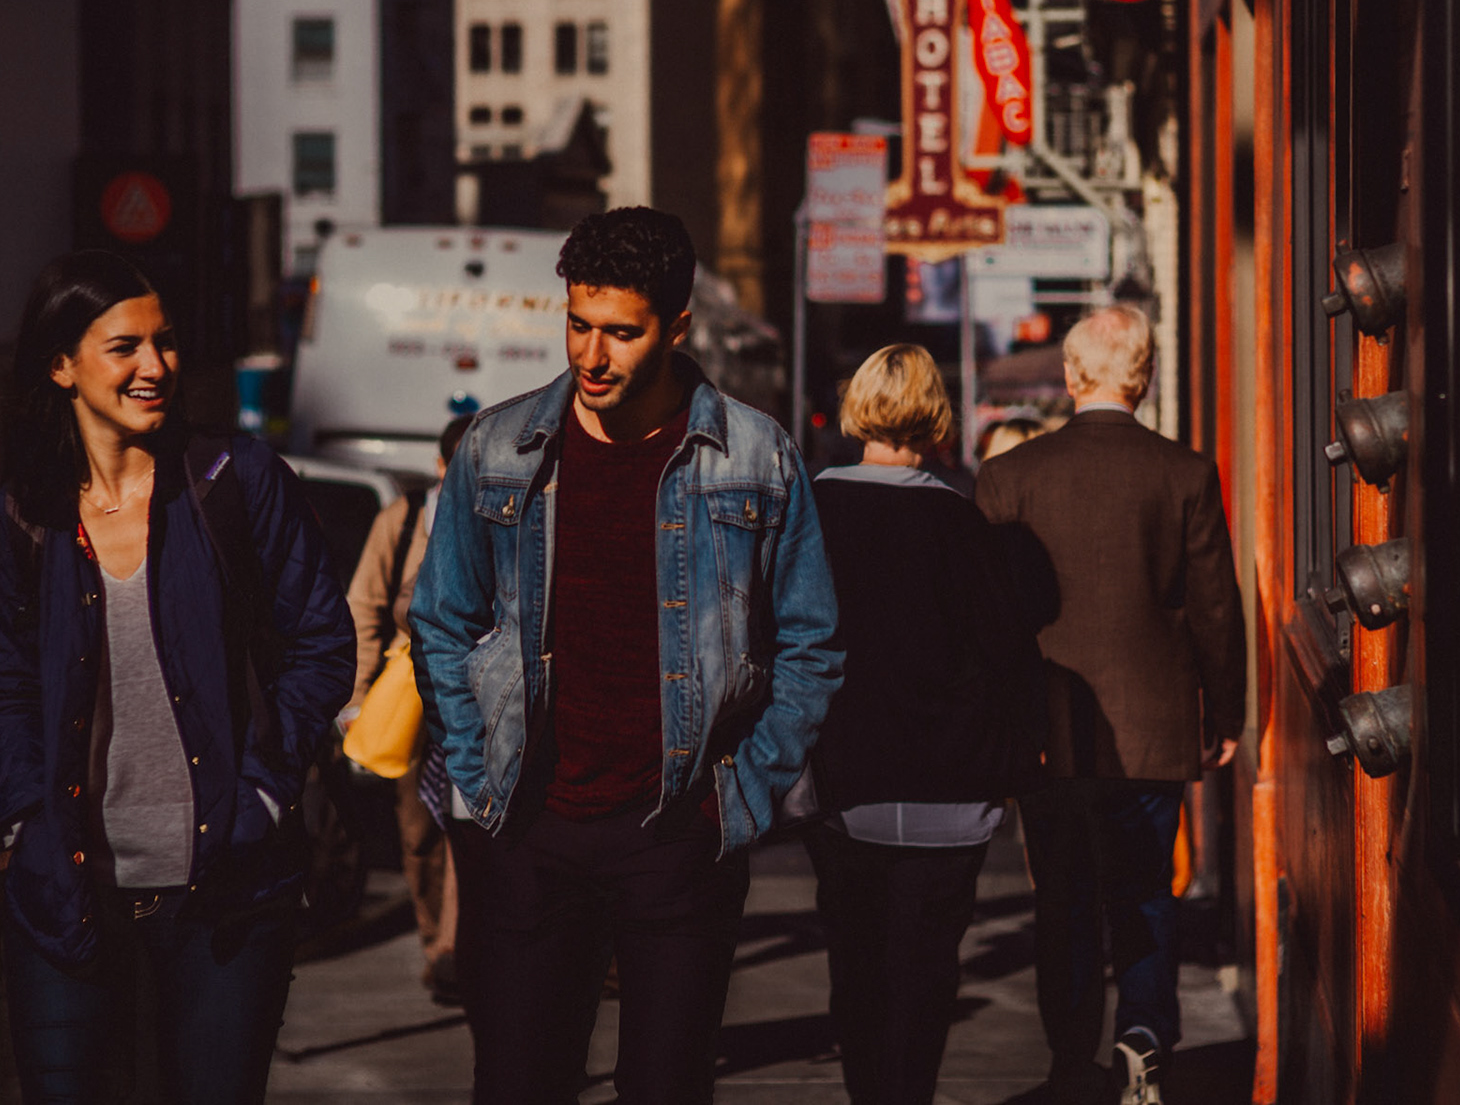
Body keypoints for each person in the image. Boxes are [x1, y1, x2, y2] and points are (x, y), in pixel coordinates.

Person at [408, 205, 843, 1105]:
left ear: (676, 325)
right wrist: (475, 779)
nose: (591, 356)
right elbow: (441, 621)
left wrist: (741, 797)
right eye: (577, 324)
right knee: (519, 1084)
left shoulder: (754, 456)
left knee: (667, 1086)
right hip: (526, 830)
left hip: (678, 832)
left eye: (620, 332)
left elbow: (811, 643)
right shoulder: (498, 447)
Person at [0, 251, 355, 1104]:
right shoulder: (24, 515)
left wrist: (262, 794)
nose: (155, 366)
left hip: (227, 893)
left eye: (167, 342)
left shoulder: (234, 480)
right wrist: (23, 822)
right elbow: (3, 684)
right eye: (125, 347)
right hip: (67, 892)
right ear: (61, 364)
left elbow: (323, 643)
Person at [974, 305, 1246, 1105]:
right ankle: (1144, 1034)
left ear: (1069, 376)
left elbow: (991, 620)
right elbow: (1215, 609)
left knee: (1060, 898)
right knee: (1144, 889)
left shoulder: (1010, 477)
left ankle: (1068, 1057)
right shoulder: (1185, 472)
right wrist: (1223, 716)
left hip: (1048, 733)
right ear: (1146, 376)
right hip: (1152, 729)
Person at [806, 344, 1045, 1105]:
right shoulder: (961, 519)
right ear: (936, 417)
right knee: (926, 976)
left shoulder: (811, 512)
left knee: (857, 966)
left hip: (843, 783)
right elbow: (1007, 653)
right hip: (950, 790)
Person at [340, 413, 473, 1002]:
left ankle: (459, 950)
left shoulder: (510, 518)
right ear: (442, 467)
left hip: (481, 704)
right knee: (421, 833)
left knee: (478, 831)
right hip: (413, 700)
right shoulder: (404, 520)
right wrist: (356, 700)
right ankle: (437, 947)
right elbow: (364, 609)